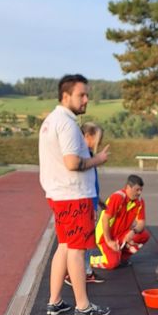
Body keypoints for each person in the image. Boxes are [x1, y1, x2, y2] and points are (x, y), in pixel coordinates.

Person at [39, 74, 111, 315]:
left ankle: (55, 301)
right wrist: (98, 160)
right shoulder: (67, 123)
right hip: (73, 196)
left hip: (59, 195)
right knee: (77, 250)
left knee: (65, 246)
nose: (86, 99)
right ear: (66, 96)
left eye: (87, 94)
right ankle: (83, 306)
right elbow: (72, 162)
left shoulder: (51, 120)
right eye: (82, 95)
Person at [64, 121, 106, 286]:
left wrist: (99, 201)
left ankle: (85, 271)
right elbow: (82, 184)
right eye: (97, 139)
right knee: (81, 243)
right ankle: (77, 272)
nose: (99, 144)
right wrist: (99, 159)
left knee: (87, 241)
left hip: (91, 202)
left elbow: (90, 183)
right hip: (84, 204)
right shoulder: (84, 157)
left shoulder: (87, 155)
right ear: (87, 136)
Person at [90, 174, 150, 270]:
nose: (139, 193)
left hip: (121, 234)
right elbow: (105, 220)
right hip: (105, 236)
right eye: (137, 190)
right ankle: (90, 260)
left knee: (144, 235)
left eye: (141, 190)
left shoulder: (139, 201)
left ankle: (122, 258)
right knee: (112, 264)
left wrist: (133, 231)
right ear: (128, 187)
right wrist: (109, 241)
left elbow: (141, 223)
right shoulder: (117, 197)